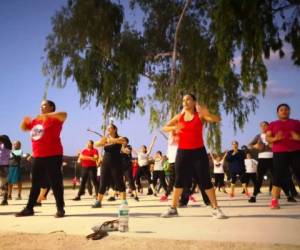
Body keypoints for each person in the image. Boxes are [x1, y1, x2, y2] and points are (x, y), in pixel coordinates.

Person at [160, 94, 226, 219]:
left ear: (194, 101)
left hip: (198, 152)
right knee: (178, 181)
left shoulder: (200, 115)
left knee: (205, 180)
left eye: (188, 99)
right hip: (183, 153)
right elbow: (164, 127)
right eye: (183, 100)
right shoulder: (179, 117)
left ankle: (216, 208)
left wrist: (208, 113)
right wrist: (175, 127)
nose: (185, 101)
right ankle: (173, 208)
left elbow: (217, 119)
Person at [15, 100, 67, 218]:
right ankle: (29, 208)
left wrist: (47, 115)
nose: (41, 107)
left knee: (56, 182)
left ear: (51, 107)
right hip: (37, 156)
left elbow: (64, 114)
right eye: (40, 106)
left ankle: (60, 209)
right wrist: (24, 121)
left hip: (53, 154)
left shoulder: (55, 119)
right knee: (35, 184)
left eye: (44, 105)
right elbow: (23, 128)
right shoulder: (36, 121)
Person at [266, 104, 300, 209]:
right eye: (281, 110)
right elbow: (268, 138)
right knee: (278, 176)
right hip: (280, 152)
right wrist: (275, 138)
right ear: (278, 112)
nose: (284, 111)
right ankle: (274, 201)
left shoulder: (296, 123)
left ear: (289, 111)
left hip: (296, 152)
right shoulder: (272, 124)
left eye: (286, 109)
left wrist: (298, 137)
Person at [92, 124, 127, 208]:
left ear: (115, 129)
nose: (108, 129)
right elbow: (95, 145)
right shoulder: (106, 139)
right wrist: (102, 141)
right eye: (107, 128)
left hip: (116, 163)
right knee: (103, 182)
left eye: (110, 128)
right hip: (105, 163)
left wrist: (111, 140)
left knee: (119, 181)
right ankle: (98, 201)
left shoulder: (120, 138)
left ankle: (123, 202)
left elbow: (123, 141)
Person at [0, 135, 12, 205]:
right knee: (3, 182)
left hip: (4, 165)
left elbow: (5, 140)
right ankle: (4, 198)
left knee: (4, 182)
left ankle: (5, 199)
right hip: (2, 165)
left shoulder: (7, 145)